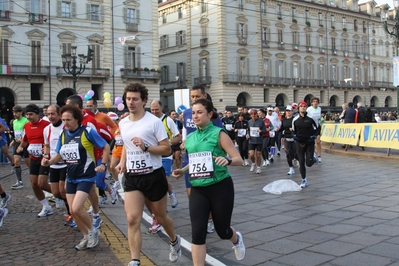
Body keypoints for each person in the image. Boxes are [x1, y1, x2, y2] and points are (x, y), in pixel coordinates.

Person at [172, 98, 246, 265]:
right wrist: (182, 171)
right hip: (198, 188)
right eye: (193, 113)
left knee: (222, 230)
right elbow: (198, 161)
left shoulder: (219, 134)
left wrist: (227, 161)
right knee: (197, 233)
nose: (195, 116)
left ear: (210, 114)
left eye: (200, 112)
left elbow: (238, 159)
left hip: (220, 187)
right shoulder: (190, 138)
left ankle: (236, 238)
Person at [115, 83, 181, 266]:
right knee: (131, 218)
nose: (131, 102)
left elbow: (167, 149)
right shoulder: (123, 122)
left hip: (153, 175)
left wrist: (146, 147)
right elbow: (128, 146)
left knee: (160, 217)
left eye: (135, 99)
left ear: (143, 100)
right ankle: (135, 260)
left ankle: (174, 240)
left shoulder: (154, 122)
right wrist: (122, 162)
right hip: (133, 176)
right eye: (128, 99)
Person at [41, 104, 110, 250]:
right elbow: (58, 154)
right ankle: (85, 236)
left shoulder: (88, 131)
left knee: (77, 208)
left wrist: (103, 164)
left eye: (68, 120)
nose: (65, 123)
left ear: (77, 119)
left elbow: (105, 146)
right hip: (70, 176)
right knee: (72, 211)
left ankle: (93, 231)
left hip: (86, 176)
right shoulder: (63, 134)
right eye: (64, 119)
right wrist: (49, 161)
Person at [182, 84, 223, 234]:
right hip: (190, 157)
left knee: (205, 192)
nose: (194, 99)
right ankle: (201, 218)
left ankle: (210, 220)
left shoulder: (213, 115)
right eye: (192, 97)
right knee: (190, 192)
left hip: (207, 158)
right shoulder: (187, 113)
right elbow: (186, 129)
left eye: (197, 96)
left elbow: (220, 134)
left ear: (204, 96)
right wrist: (184, 141)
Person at [149, 99, 181, 233]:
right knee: (155, 183)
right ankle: (170, 193)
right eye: (152, 109)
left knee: (163, 179)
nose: (155, 112)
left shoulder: (168, 121)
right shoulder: (148, 120)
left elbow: (178, 137)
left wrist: (168, 143)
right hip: (152, 156)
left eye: (157, 109)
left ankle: (163, 204)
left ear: (162, 108)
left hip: (165, 156)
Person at [16, 104, 53, 217]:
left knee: (42, 184)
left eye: (31, 114)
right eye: (27, 114)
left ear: (37, 114)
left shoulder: (47, 125)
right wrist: (21, 147)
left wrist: (47, 149)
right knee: (34, 184)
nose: (28, 117)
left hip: (45, 159)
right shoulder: (26, 126)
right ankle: (46, 206)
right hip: (34, 158)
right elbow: (26, 139)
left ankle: (60, 194)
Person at [43, 104, 74, 226]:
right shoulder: (47, 129)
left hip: (66, 164)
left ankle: (72, 214)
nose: (50, 116)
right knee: (56, 193)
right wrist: (46, 155)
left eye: (53, 114)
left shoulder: (65, 128)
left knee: (63, 190)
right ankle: (72, 207)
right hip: (53, 164)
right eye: (48, 114)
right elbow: (46, 144)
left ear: (59, 115)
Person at [292, 101, 317, 188]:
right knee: (301, 162)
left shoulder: (311, 118)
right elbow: (294, 131)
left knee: (309, 163)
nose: (303, 107)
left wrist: (314, 136)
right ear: (298, 108)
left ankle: (313, 158)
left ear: (306, 108)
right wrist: (294, 136)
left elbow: (317, 128)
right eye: (301, 106)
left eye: (304, 106)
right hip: (300, 143)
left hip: (309, 143)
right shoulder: (295, 119)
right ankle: (303, 179)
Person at [10, 105, 29, 190]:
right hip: (17, 144)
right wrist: (13, 140)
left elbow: (28, 134)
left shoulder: (26, 121)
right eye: (13, 112)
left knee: (29, 164)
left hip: (26, 143)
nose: (15, 114)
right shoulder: (14, 122)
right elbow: (16, 134)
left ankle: (36, 178)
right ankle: (19, 181)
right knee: (16, 162)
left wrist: (23, 142)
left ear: (21, 112)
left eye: (16, 112)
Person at [247, 109, 266, 174]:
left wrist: (261, 131)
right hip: (252, 140)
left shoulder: (261, 121)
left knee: (258, 155)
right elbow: (248, 130)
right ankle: (253, 163)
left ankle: (258, 167)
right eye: (252, 115)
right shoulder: (249, 122)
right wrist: (247, 134)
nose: (253, 116)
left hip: (259, 140)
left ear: (257, 115)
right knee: (251, 154)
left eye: (255, 115)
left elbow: (264, 130)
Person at [279, 105, 296, 175]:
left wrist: (294, 129)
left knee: (296, 153)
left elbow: (299, 128)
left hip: (294, 138)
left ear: (292, 112)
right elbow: (282, 128)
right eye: (287, 111)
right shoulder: (284, 120)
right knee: (288, 154)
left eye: (289, 111)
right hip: (287, 138)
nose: (288, 113)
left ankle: (298, 162)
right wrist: (278, 130)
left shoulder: (295, 119)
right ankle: (291, 168)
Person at [306, 97, 322, 163]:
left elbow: (320, 117)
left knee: (318, 141)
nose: (315, 103)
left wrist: (321, 120)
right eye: (314, 101)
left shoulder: (319, 109)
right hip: (311, 127)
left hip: (317, 126)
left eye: (316, 101)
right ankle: (313, 154)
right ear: (312, 102)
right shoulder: (309, 109)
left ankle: (319, 156)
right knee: (311, 142)